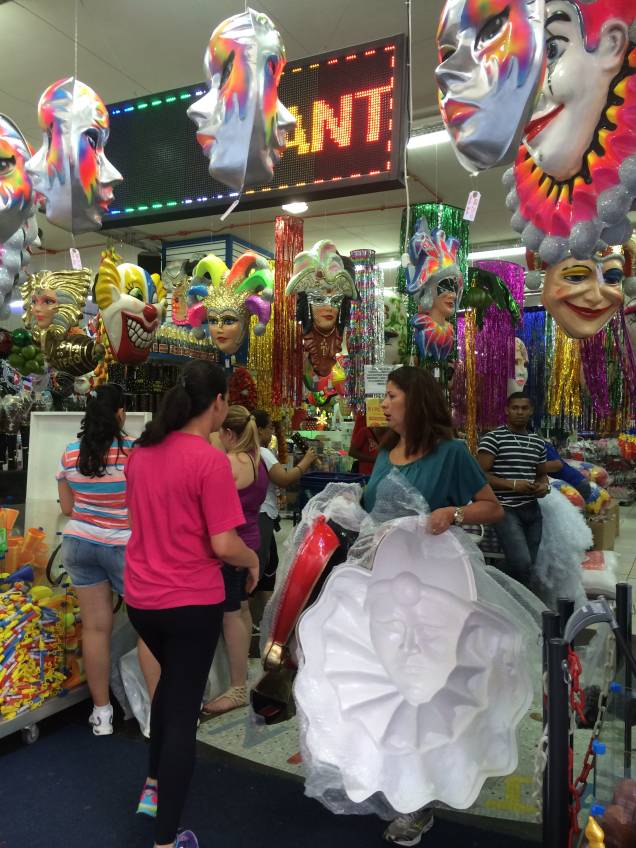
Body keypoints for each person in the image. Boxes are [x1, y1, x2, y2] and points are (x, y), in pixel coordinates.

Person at [362, 366, 503, 846]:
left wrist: (454, 513)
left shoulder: (451, 453)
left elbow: (492, 506)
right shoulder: (385, 450)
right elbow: (372, 510)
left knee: (426, 685)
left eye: (393, 395)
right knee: (387, 681)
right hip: (382, 583)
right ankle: (396, 777)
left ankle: (421, 798)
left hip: (435, 587)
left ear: (416, 400)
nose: (385, 402)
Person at [124, 362, 259, 848]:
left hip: (142, 599)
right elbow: (225, 544)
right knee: (183, 711)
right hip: (189, 604)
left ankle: (154, 784)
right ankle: (165, 839)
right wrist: (252, 561)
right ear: (219, 403)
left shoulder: (140, 453)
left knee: (169, 694)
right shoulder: (208, 461)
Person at [57, 383, 134, 737]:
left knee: (94, 629)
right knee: (148, 627)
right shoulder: (134, 453)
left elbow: (68, 508)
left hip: (79, 543)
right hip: (123, 547)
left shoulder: (71, 453)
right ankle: (148, 708)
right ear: (120, 413)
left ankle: (101, 714)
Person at [201, 405, 268, 717]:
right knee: (240, 612)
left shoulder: (231, 462)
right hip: (251, 540)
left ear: (229, 433)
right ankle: (239, 678)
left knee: (231, 615)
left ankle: (237, 686)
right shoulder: (258, 457)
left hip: (235, 546)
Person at [249, 410, 318, 627]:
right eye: (269, 427)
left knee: (267, 564)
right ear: (259, 430)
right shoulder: (263, 452)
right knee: (262, 567)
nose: (272, 432)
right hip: (263, 515)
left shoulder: (245, 451)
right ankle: (258, 619)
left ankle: (263, 618)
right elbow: (284, 479)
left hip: (257, 514)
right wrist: (306, 461)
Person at [477, 393, 550, 590]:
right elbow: (479, 476)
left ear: (531, 411)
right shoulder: (493, 438)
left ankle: (517, 607)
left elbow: (541, 474)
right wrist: (513, 485)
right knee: (521, 563)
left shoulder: (538, 442)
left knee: (528, 567)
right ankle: (484, 581)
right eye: (515, 407)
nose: (519, 412)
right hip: (505, 509)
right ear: (507, 410)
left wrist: (544, 486)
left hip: (532, 509)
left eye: (524, 408)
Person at [348, 410, 386, 475]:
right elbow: (352, 452)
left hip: (383, 473)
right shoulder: (365, 431)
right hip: (366, 474)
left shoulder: (391, 433)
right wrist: (374, 459)